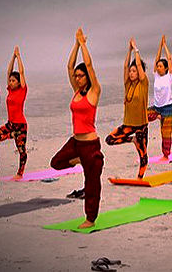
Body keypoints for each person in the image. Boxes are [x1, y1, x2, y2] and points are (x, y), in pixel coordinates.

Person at [50, 28, 104, 229]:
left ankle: (90, 219)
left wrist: (83, 44)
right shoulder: (76, 91)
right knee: (56, 162)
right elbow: (68, 65)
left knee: (91, 184)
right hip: (75, 143)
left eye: (81, 76)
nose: (78, 78)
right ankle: (78, 161)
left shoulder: (94, 92)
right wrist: (75, 43)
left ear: (87, 78)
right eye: (76, 76)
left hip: (90, 144)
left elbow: (88, 65)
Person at [106, 38, 149, 179]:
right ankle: (132, 140)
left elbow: (138, 64)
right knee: (109, 140)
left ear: (140, 72)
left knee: (143, 155)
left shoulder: (143, 83)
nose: (131, 73)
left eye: (134, 71)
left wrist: (136, 49)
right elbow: (125, 66)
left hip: (141, 126)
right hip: (128, 125)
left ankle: (140, 178)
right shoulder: (127, 85)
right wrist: (128, 50)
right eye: (130, 71)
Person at [0, 46, 28, 179]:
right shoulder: (10, 90)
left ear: (18, 82)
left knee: (21, 151)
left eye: (13, 80)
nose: (10, 82)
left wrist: (19, 57)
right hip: (11, 125)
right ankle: (13, 134)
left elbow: (21, 72)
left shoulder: (22, 90)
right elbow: (8, 71)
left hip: (20, 125)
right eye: (9, 80)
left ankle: (20, 174)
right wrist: (13, 57)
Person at [147, 35, 172, 161]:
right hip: (157, 109)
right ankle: (157, 117)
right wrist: (159, 46)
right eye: (157, 66)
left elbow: (169, 58)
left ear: (166, 68)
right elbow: (156, 59)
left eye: (160, 66)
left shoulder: (169, 76)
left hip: (167, 109)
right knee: (142, 114)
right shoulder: (156, 76)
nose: (158, 68)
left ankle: (166, 155)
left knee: (166, 134)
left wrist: (165, 46)